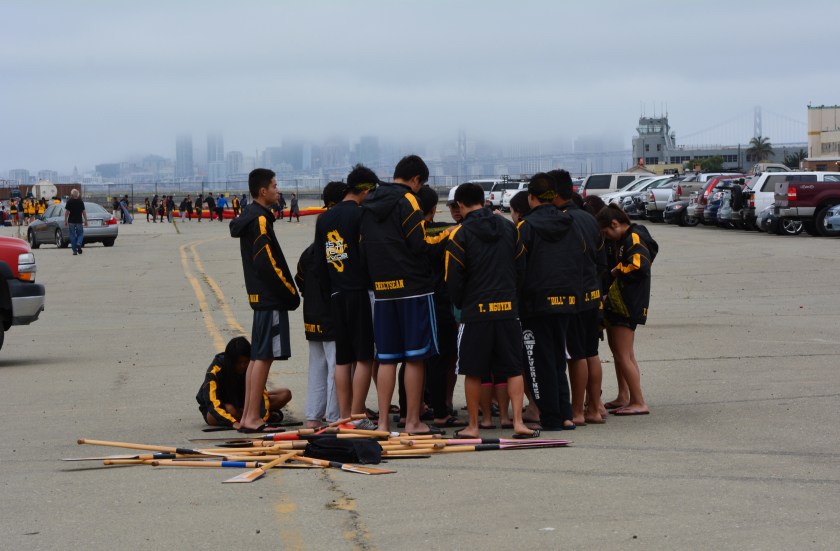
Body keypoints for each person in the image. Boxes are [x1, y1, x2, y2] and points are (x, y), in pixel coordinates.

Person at [360, 154, 450, 434]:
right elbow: (419, 242)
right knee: (415, 357)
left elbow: (363, 246)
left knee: (386, 358)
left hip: (382, 291)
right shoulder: (408, 200)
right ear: (415, 180)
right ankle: (412, 421)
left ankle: (384, 423)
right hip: (412, 289)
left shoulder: (370, 201)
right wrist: (452, 232)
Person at [444, 183, 535, 439]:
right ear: (483, 200)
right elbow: (521, 267)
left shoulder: (459, 234)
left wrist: (462, 303)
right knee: (514, 368)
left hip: (475, 313)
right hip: (508, 309)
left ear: (460, 205)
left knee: (473, 370)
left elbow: (453, 278)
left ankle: (473, 426)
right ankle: (517, 421)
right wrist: (511, 296)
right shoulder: (509, 227)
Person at [229, 168, 300, 432]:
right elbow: (267, 263)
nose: (277, 190)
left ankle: (249, 415)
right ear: (263, 191)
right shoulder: (259, 220)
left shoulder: (251, 217)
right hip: (270, 299)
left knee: (258, 357)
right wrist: (289, 292)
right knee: (264, 358)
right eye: (274, 185)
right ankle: (252, 418)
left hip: (261, 298)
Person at [518, 173, 585, 431]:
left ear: (531, 197)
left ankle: (551, 417)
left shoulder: (526, 227)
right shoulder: (570, 222)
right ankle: (565, 414)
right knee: (558, 358)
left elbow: (518, 267)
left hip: (535, 303)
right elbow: (580, 258)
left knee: (537, 360)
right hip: (567, 300)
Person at [313, 166, 377, 427]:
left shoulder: (325, 218)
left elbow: (318, 263)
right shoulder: (361, 215)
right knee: (364, 356)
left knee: (343, 358)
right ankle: (357, 414)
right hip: (359, 290)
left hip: (336, 292)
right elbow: (367, 254)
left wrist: (329, 292)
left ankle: (342, 416)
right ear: (364, 190)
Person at [548, 170, 609, 426]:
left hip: (573, 295)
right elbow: (603, 261)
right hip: (593, 293)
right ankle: (595, 408)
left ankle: (577, 412)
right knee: (591, 352)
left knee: (575, 355)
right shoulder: (589, 218)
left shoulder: (561, 220)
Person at [595, 204, 658, 416]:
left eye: (606, 233)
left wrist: (617, 269)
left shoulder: (635, 236)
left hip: (627, 302)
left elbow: (639, 265)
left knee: (623, 355)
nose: (608, 238)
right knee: (622, 353)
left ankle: (639, 401)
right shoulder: (625, 238)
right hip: (621, 301)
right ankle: (627, 396)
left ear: (615, 224)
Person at [295, 182, 348, 429]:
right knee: (337, 366)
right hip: (331, 314)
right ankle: (334, 417)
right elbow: (340, 275)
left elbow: (300, 279)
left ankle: (313, 416)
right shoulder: (336, 239)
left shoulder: (310, 249)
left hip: (312, 313)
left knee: (317, 367)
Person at [196, 336, 292, 427]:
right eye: (239, 363)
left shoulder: (252, 367)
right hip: (221, 406)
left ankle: (246, 415)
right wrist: (233, 423)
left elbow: (262, 395)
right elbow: (212, 403)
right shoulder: (215, 369)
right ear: (230, 361)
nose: (243, 366)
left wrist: (263, 419)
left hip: (245, 402)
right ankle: (244, 416)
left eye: (246, 362)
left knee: (285, 394)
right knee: (229, 410)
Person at [64, 189, 88, 255]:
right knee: (80, 234)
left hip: (71, 221)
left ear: (71, 195)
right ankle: (79, 243)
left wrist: (65, 220)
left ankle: (74, 251)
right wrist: (86, 220)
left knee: (72, 235)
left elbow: (67, 212)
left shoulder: (69, 202)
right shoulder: (81, 202)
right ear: (78, 194)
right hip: (79, 221)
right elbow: (84, 212)